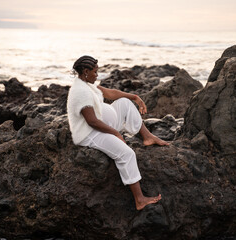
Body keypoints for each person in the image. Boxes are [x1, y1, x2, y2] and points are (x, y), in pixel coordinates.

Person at [67, 55, 169, 210]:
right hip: (90, 133)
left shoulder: (88, 85)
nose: (97, 75)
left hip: (103, 124)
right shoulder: (81, 92)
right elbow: (92, 122)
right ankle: (139, 199)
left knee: (125, 103)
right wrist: (116, 133)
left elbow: (111, 93)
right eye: (95, 71)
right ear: (86, 71)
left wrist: (134, 97)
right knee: (127, 154)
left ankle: (147, 136)